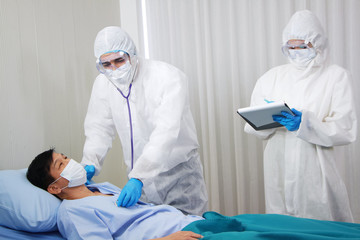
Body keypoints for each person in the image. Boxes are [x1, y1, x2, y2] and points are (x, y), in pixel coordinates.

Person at [27, 149, 360, 240]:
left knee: (283, 224)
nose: (71, 162)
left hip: (197, 222)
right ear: (55, 187)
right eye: (61, 164)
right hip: (180, 237)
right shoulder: (72, 214)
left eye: (67, 157)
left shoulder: (105, 188)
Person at [244, 10, 357, 222]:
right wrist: (270, 120)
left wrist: (305, 124)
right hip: (278, 165)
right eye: (291, 46)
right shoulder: (272, 77)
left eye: (302, 46)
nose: (296, 51)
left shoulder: (336, 77)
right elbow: (253, 127)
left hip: (316, 167)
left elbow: (346, 128)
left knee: (321, 221)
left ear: (317, 44)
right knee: (282, 224)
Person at [81, 26, 208, 215]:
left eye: (119, 60)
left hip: (178, 175)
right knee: (153, 232)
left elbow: (165, 132)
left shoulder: (167, 77)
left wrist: (140, 177)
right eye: (106, 64)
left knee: (188, 230)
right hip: (139, 178)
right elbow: (99, 128)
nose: (114, 69)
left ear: (132, 54)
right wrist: (91, 162)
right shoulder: (103, 84)